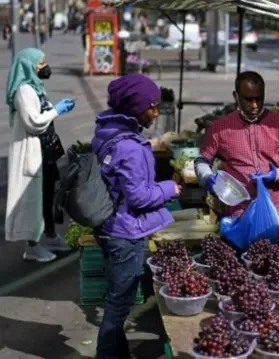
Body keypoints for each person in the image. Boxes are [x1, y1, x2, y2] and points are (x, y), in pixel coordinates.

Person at [91, 74, 181, 358]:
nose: (156, 112)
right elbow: (139, 196)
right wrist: (171, 187)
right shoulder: (129, 146)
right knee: (119, 303)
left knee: (116, 297)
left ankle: (117, 353)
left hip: (108, 224)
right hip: (124, 232)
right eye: (151, 106)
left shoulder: (107, 132)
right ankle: (107, 354)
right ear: (134, 107)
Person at [195, 71, 279, 216]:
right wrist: (207, 178)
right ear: (236, 97)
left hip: (272, 210)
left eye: (259, 99)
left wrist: (278, 174)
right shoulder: (219, 128)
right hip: (237, 211)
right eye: (248, 100)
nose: (254, 105)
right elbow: (202, 161)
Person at [5, 48, 75, 262]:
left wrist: (55, 108)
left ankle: (51, 235)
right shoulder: (23, 91)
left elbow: (42, 111)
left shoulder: (36, 88)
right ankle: (32, 247)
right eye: (40, 63)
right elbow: (33, 122)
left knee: (47, 195)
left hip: (46, 152)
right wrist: (57, 111)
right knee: (33, 201)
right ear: (28, 66)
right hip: (32, 154)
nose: (45, 66)